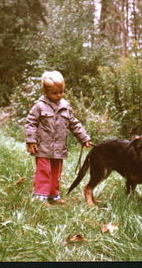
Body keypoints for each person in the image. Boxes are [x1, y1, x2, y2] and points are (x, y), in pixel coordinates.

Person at [25, 70, 92, 206]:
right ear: (45, 92)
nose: (59, 95)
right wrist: (31, 141)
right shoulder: (39, 106)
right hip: (43, 147)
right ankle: (40, 197)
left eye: (61, 91)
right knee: (44, 171)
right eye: (55, 93)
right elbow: (30, 123)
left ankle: (53, 195)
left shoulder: (65, 107)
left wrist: (84, 138)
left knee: (56, 172)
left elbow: (74, 124)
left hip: (59, 148)